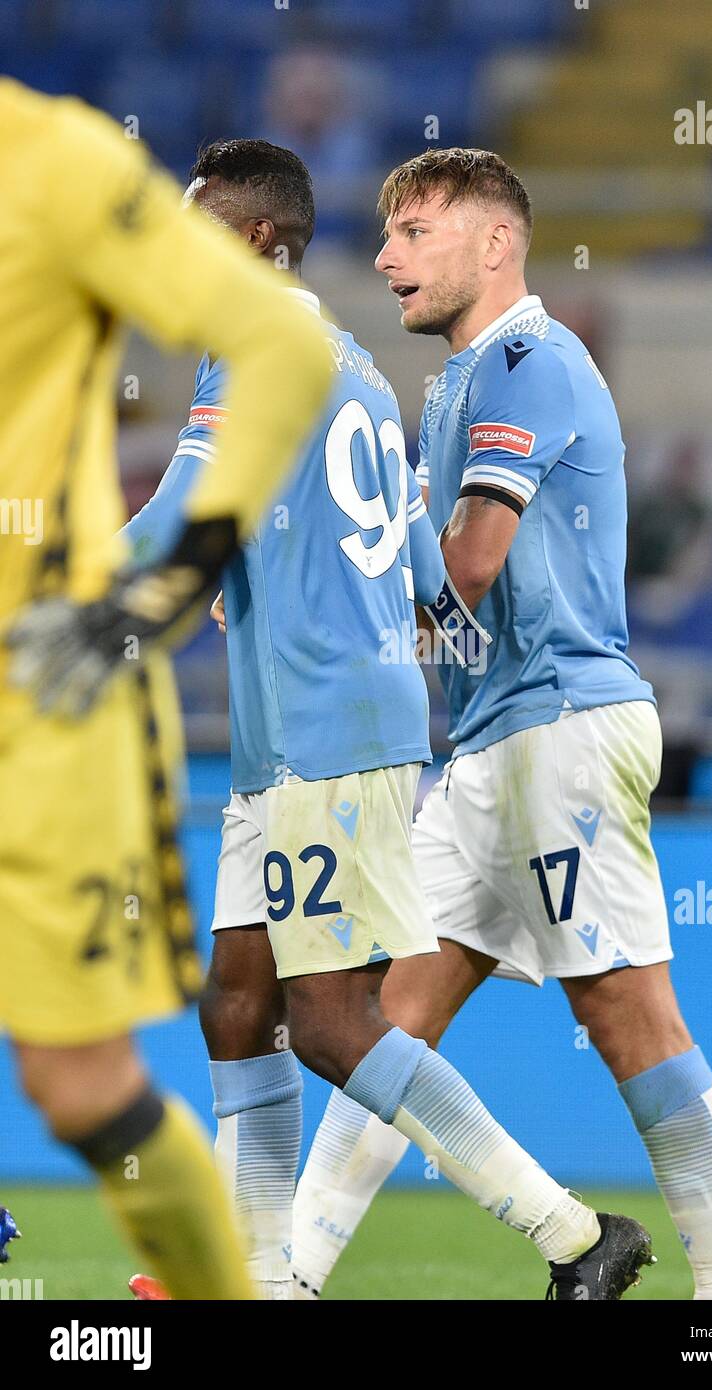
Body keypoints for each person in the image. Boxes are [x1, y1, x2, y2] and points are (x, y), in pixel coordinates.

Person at [125, 138, 654, 1302]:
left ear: (259, 244)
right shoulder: (356, 370)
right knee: (238, 1000)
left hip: (327, 732)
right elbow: (422, 575)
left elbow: (173, 517)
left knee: (326, 1021)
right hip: (295, 735)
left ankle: (572, 1234)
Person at [292, 147, 712, 1303]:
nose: (385, 254)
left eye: (413, 230)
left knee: (624, 1013)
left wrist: (337, 603)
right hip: (488, 746)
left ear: (495, 243)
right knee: (377, 1020)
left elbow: (466, 566)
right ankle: (284, 1281)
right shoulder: (455, 383)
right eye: (386, 232)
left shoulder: (529, 362)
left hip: (561, 730)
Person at [0, 81, 332, 1300]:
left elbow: (281, 341)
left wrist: (178, 574)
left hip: (42, 698)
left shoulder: (53, 162)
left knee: (77, 1083)